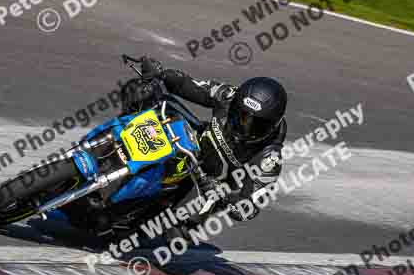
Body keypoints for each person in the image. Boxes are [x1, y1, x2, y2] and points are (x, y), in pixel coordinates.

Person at [120, 57, 288, 242]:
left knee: (181, 234)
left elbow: (250, 206)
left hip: (209, 183)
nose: (244, 127)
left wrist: (226, 197)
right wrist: (163, 74)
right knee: (140, 91)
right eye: (239, 116)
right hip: (193, 142)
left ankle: (133, 223)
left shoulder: (269, 157)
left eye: (256, 125)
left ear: (273, 125)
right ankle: (112, 140)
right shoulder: (228, 95)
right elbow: (188, 85)